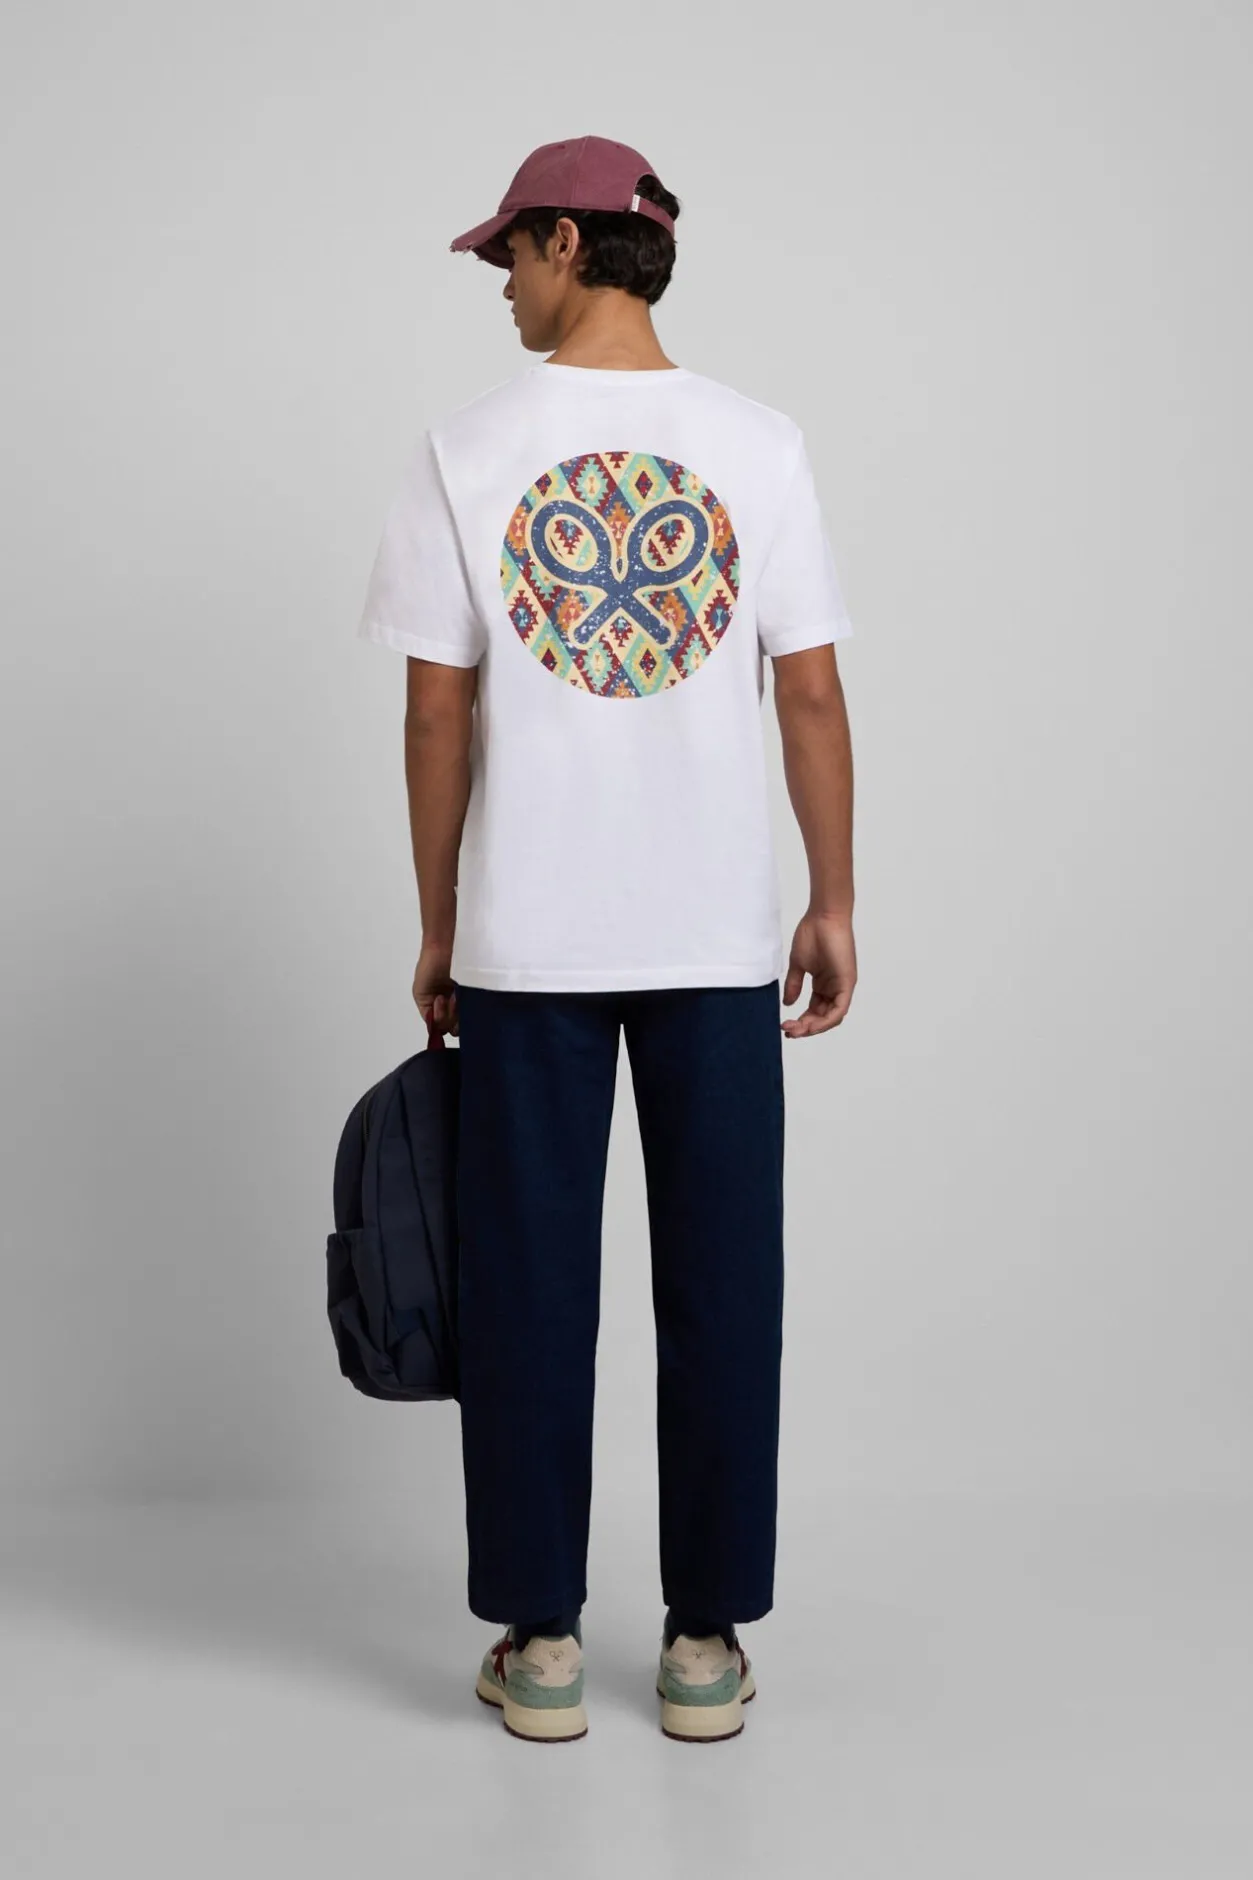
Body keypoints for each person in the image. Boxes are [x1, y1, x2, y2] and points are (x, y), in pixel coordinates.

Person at [355, 135, 857, 1745]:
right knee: (724, 1285)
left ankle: (546, 1646)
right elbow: (809, 692)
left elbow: (436, 714)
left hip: (529, 942)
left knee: (527, 1291)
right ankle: (704, 1645)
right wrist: (832, 898)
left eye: (509, 254)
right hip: (715, 936)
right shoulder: (761, 445)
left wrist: (440, 922)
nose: (500, 285)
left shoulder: (465, 451)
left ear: (567, 244)